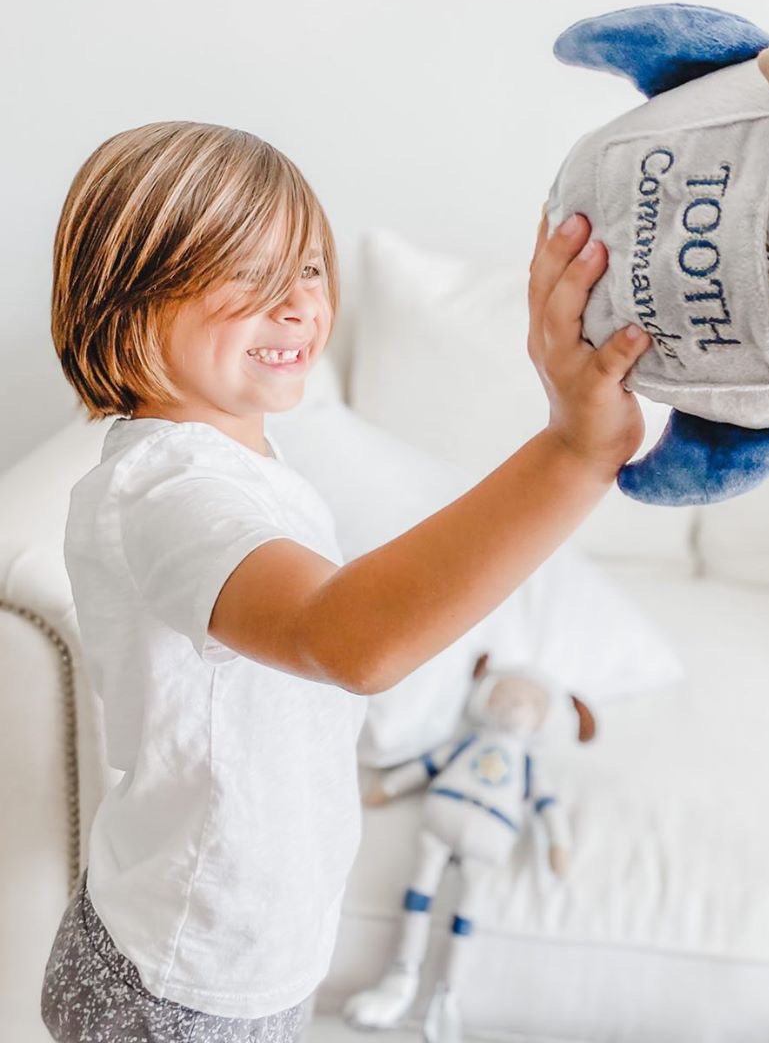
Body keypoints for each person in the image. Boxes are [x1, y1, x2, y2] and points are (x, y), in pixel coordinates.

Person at [40, 120, 651, 1042]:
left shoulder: (233, 459)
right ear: (126, 299)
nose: (296, 305)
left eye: (310, 268)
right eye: (247, 274)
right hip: (185, 983)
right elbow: (344, 637)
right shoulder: (167, 490)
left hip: (236, 951)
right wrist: (573, 454)